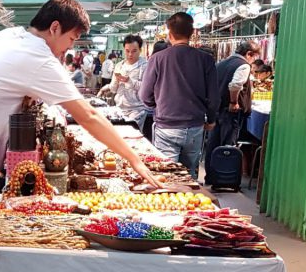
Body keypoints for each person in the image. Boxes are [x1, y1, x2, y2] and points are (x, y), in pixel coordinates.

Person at [0, 0, 160, 241]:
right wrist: (133, 159)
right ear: (54, 28)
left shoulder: (10, 35)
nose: (69, 48)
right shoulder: (38, 58)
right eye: (71, 39)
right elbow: (88, 115)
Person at [139, 12, 219, 179]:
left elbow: (145, 94)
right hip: (195, 126)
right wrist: (211, 119)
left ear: (169, 34)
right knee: (189, 176)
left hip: (166, 125)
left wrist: (159, 105)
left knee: (166, 175)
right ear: (192, 33)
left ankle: (171, 203)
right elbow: (213, 96)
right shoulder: (206, 59)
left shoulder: (157, 59)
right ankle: (191, 201)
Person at [206, 41, 259, 158]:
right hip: (230, 112)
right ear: (249, 54)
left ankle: (211, 174)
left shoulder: (222, 63)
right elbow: (235, 85)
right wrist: (233, 102)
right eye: (255, 57)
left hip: (218, 109)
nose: (254, 60)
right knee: (227, 147)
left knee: (213, 144)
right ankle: (224, 174)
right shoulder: (243, 65)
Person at [99, 35, 149, 133]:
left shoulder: (146, 66)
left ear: (140, 50)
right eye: (127, 51)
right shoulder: (119, 65)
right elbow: (113, 89)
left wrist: (129, 81)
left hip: (137, 110)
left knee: (132, 135)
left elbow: (146, 88)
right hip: (120, 108)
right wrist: (114, 83)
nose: (130, 54)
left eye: (134, 51)